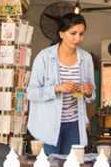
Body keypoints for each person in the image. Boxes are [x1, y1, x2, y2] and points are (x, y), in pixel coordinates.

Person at [26, 13, 96, 156]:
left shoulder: (86, 58)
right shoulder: (44, 57)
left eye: (81, 34)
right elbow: (32, 92)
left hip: (75, 125)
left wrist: (88, 91)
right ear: (62, 34)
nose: (78, 38)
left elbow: (92, 94)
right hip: (48, 125)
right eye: (73, 33)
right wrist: (57, 88)